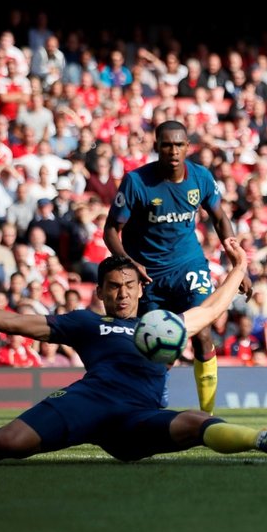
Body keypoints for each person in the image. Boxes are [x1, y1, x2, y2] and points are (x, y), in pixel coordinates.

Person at [0, 240, 267, 465]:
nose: (122, 293)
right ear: (101, 291)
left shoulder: (163, 326)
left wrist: (240, 266)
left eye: (128, 285)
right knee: (7, 444)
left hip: (136, 418)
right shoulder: (85, 323)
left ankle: (266, 437)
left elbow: (212, 309)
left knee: (195, 422)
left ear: (141, 289)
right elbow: (14, 322)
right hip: (87, 401)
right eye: (113, 286)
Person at [104, 120, 252, 415]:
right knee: (156, 348)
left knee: (203, 333)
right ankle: (152, 408)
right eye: (167, 145)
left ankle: (207, 415)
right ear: (157, 146)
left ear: (187, 147)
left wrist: (237, 262)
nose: (173, 151)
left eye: (179, 145)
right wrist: (130, 264)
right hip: (149, 274)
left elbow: (220, 217)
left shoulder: (201, 177)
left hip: (189, 264)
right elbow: (110, 230)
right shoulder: (136, 182)